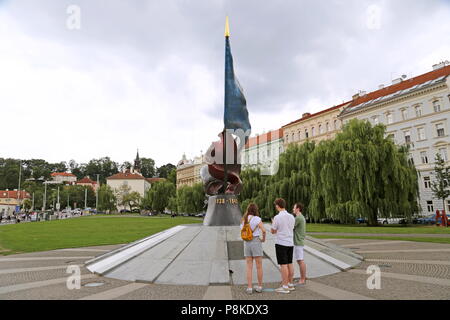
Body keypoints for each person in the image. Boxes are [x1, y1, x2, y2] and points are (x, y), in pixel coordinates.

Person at [240, 203, 266, 294]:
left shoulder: (244, 220)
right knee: (259, 266)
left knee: (249, 267)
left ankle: (250, 288)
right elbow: (264, 230)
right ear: (255, 210)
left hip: (247, 243)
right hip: (256, 242)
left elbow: (241, 231)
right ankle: (259, 286)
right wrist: (263, 239)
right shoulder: (257, 219)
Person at [271, 198, 295, 294]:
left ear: (277, 205)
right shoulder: (292, 216)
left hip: (281, 243)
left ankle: (285, 287)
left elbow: (273, 231)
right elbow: (290, 228)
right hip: (290, 242)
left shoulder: (277, 217)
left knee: (283, 265)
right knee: (290, 263)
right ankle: (290, 284)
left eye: (275, 205)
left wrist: (273, 223)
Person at [291, 202, 307, 285]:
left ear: (298, 209)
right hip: (299, 241)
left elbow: (290, 226)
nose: (293, 209)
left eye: (294, 208)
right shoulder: (300, 217)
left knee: (300, 260)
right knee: (300, 260)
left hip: (297, 242)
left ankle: (303, 279)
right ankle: (303, 277)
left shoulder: (299, 218)